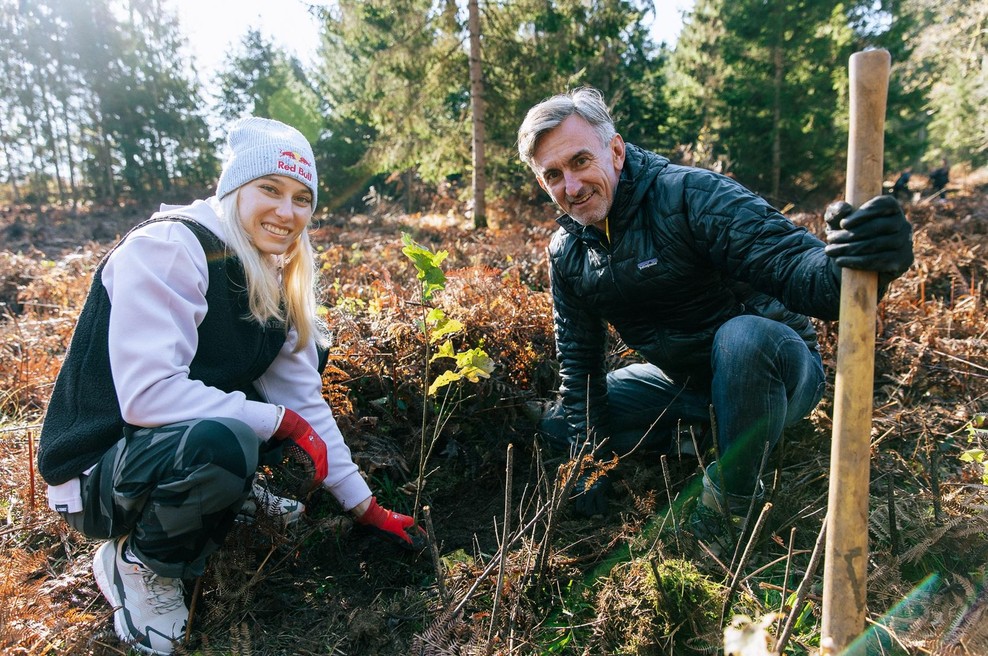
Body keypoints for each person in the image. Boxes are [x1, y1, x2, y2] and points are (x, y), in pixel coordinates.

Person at [37, 117, 422, 656]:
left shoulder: (271, 273)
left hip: (159, 451)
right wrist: (279, 422)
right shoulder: (172, 245)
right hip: (97, 475)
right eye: (270, 189)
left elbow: (302, 400)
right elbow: (149, 395)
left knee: (285, 387)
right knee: (232, 436)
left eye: (302, 198)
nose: (287, 213)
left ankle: (218, 494)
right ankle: (138, 565)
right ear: (234, 189)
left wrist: (365, 506)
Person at [516, 88, 913, 540]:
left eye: (581, 161)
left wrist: (863, 259)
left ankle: (731, 504)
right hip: (686, 383)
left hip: (777, 372)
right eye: (553, 175)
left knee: (742, 338)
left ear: (617, 151)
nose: (571, 186)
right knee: (562, 421)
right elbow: (579, 363)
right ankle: (698, 440)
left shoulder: (690, 196)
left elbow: (806, 275)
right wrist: (590, 466)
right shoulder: (568, 252)